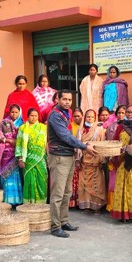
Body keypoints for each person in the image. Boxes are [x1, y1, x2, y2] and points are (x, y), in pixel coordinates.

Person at [47, 90, 96, 238]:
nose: (68, 102)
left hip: (68, 156)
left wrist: (82, 144)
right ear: (58, 100)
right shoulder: (55, 115)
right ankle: (55, 226)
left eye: (70, 99)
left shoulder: (66, 113)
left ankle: (64, 221)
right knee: (57, 193)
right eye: (65, 99)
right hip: (59, 157)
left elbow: (70, 136)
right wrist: (84, 146)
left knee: (67, 192)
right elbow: (65, 136)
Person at [76, 109, 107, 213]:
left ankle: (97, 207)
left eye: (92, 117)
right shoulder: (81, 130)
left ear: (95, 118)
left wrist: (102, 160)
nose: (90, 119)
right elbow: (77, 144)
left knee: (96, 184)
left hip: (96, 159)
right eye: (88, 117)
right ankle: (87, 206)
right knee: (84, 184)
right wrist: (77, 159)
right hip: (84, 159)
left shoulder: (99, 129)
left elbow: (103, 144)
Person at [16, 108, 48, 204]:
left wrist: (48, 156)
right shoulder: (22, 128)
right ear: (28, 116)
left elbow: (46, 143)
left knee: (41, 179)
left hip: (41, 158)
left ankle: (41, 204)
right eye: (32, 115)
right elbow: (18, 144)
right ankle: (28, 204)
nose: (34, 118)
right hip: (27, 159)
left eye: (36, 116)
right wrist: (20, 159)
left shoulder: (43, 127)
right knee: (29, 181)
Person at [0, 104, 23, 205]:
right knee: (6, 176)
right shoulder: (4, 123)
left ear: (20, 113)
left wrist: (15, 142)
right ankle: (8, 201)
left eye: (16, 112)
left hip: (16, 154)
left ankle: (17, 200)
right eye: (12, 112)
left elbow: (23, 138)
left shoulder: (22, 124)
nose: (14, 114)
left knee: (16, 176)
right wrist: (8, 140)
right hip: (5, 154)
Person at [105, 105, 126, 212]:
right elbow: (108, 141)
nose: (121, 115)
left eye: (123, 113)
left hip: (125, 158)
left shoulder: (130, 126)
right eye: (119, 113)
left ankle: (122, 206)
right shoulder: (111, 127)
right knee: (113, 182)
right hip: (113, 157)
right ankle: (112, 206)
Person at [69, 107, 84, 208]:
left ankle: (80, 201)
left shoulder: (85, 128)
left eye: (78, 116)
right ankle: (73, 202)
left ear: (82, 116)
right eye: (74, 116)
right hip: (73, 154)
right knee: (73, 178)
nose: (76, 118)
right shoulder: (70, 126)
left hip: (84, 155)